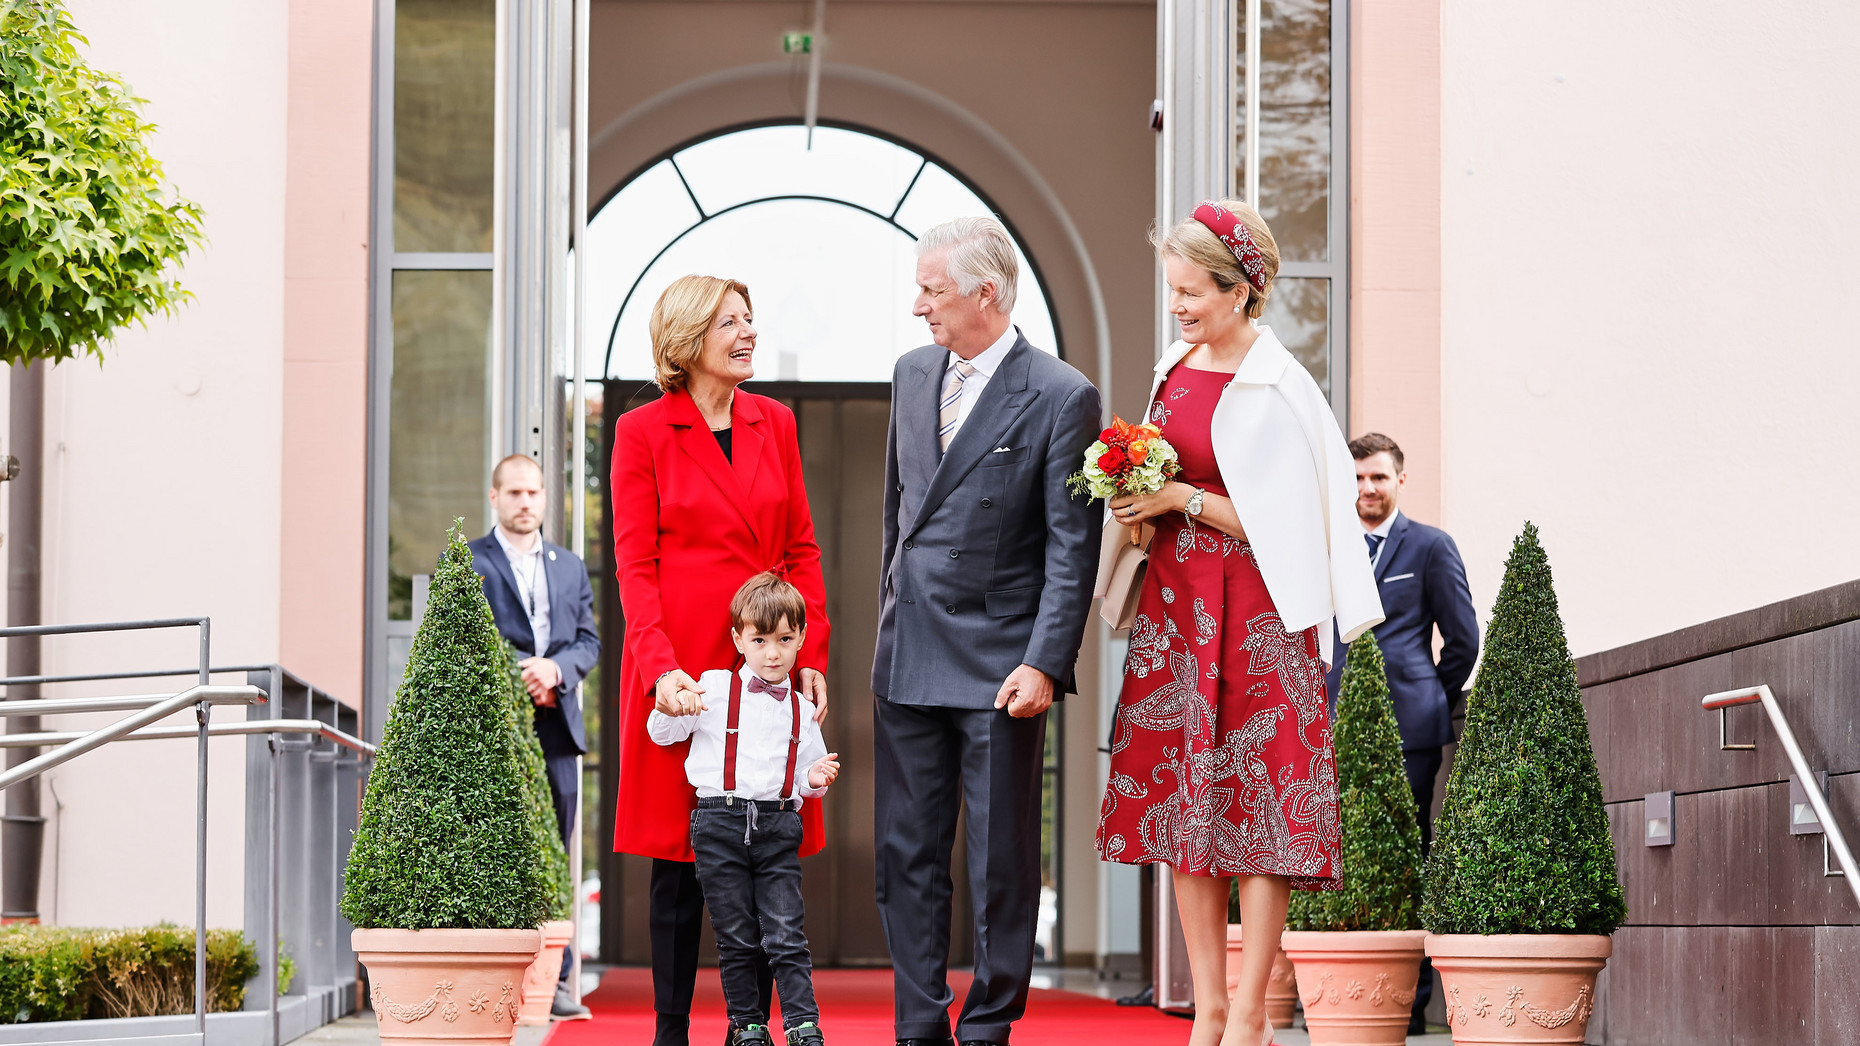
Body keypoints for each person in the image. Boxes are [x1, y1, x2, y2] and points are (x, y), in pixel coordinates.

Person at [1094, 201, 1382, 1046]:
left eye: (1191, 291)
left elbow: (1296, 524)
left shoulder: (1283, 386)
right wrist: (1137, 504)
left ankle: (1253, 1009)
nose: (1178, 305)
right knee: (1186, 808)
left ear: (1240, 289)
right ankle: (1207, 1007)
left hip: (1260, 611)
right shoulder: (1172, 366)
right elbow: (1158, 469)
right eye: (1173, 289)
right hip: (1179, 608)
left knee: (1258, 810)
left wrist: (1183, 497)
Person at [872, 215, 1101, 1046]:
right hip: (908, 652)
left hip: (1000, 664)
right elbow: (897, 520)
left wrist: (1044, 662)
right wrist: (886, 623)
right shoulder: (909, 372)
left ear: (986, 293)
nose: (919, 308)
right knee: (905, 851)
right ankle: (919, 1022)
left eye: (932, 291)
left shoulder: (1061, 393)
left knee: (1000, 859)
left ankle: (990, 1024)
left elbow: (1072, 547)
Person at [610, 274, 833, 1046]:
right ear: (687, 340)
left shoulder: (775, 421)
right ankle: (671, 1030)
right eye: (729, 323)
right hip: (682, 668)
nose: (748, 334)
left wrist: (809, 653)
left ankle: (750, 1026)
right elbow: (634, 565)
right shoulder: (642, 432)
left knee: (763, 847)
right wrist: (658, 668)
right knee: (679, 857)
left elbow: (801, 548)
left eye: (750, 320)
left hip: (765, 655)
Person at [1323, 432, 1478, 1033]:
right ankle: (1343, 993)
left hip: (1410, 728)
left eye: (1378, 478)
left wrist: (1428, 697)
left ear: (1399, 481)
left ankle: (1408, 1004)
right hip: (1332, 726)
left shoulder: (1432, 548)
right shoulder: (1329, 548)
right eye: (1358, 478)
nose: (1367, 489)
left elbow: (1462, 640)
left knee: (1407, 854)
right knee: (1336, 856)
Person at [648, 572, 841, 1046]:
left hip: (777, 824)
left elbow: (802, 773)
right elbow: (660, 733)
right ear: (739, 639)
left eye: (784, 640)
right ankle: (746, 1025)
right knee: (735, 937)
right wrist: (675, 709)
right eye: (759, 640)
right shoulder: (712, 687)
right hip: (718, 822)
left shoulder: (800, 707)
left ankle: (802, 1023)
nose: (772, 653)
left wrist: (813, 780)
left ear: (800, 640)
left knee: (785, 933)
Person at [468, 452, 600, 1021]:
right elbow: (462, 641)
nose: (526, 503)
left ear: (545, 499)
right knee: (497, 845)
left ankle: (558, 980)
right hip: (497, 729)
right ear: (494, 497)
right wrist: (522, 669)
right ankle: (495, 980)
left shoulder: (569, 566)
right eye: (515, 493)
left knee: (557, 850)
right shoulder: (469, 562)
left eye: (534, 493)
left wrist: (556, 671)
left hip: (558, 729)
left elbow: (589, 642)